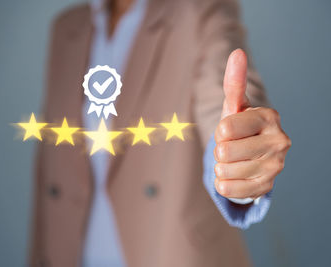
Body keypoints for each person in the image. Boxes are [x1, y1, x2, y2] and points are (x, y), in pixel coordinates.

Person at [30, 0, 291, 266]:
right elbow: (49, 163)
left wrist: (236, 156)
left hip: (171, 254)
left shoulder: (200, 11)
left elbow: (220, 103)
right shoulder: (66, 27)